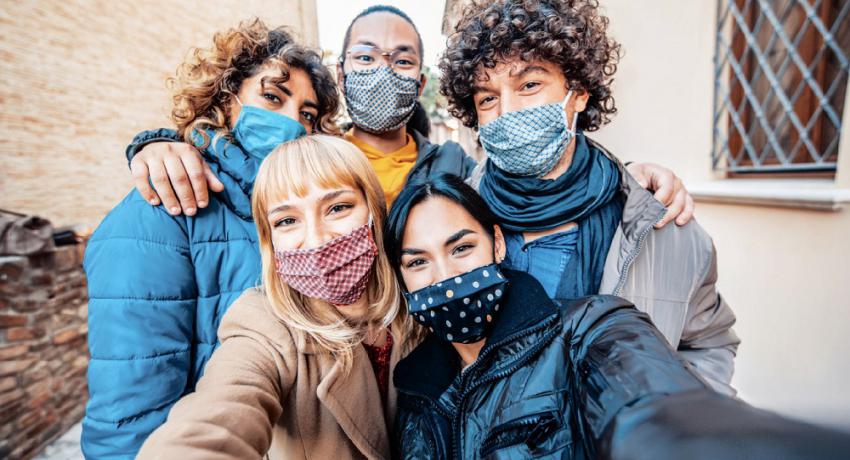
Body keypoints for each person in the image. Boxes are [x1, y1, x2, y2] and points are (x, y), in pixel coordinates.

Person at [385, 175, 850, 460]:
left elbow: (650, 406)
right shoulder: (412, 391)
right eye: (418, 261)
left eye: (462, 247)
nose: (444, 276)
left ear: (498, 244)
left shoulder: (587, 330)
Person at [122, 5, 695, 221]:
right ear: (343, 76)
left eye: (401, 60)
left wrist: (635, 174)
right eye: (365, 58)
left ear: (420, 82)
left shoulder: (458, 169)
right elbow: (235, 162)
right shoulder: (305, 159)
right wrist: (157, 142)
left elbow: (550, 176)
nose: (382, 71)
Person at [440, 0, 739, 393]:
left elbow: (708, 344)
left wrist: (663, 425)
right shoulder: (453, 220)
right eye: (487, 98)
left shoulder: (662, 226)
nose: (507, 112)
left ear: (578, 92)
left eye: (529, 85)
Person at [82, 20, 339, 458]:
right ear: (225, 98)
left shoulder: (294, 208)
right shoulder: (163, 206)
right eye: (272, 97)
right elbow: (128, 410)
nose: (291, 123)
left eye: (307, 115)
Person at [138, 135, 417, 459]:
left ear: (373, 212)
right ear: (270, 241)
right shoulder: (263, 324)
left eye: (338, 208)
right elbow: (221, 412)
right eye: (287, 220)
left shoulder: (415, 299)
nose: (315, 238)